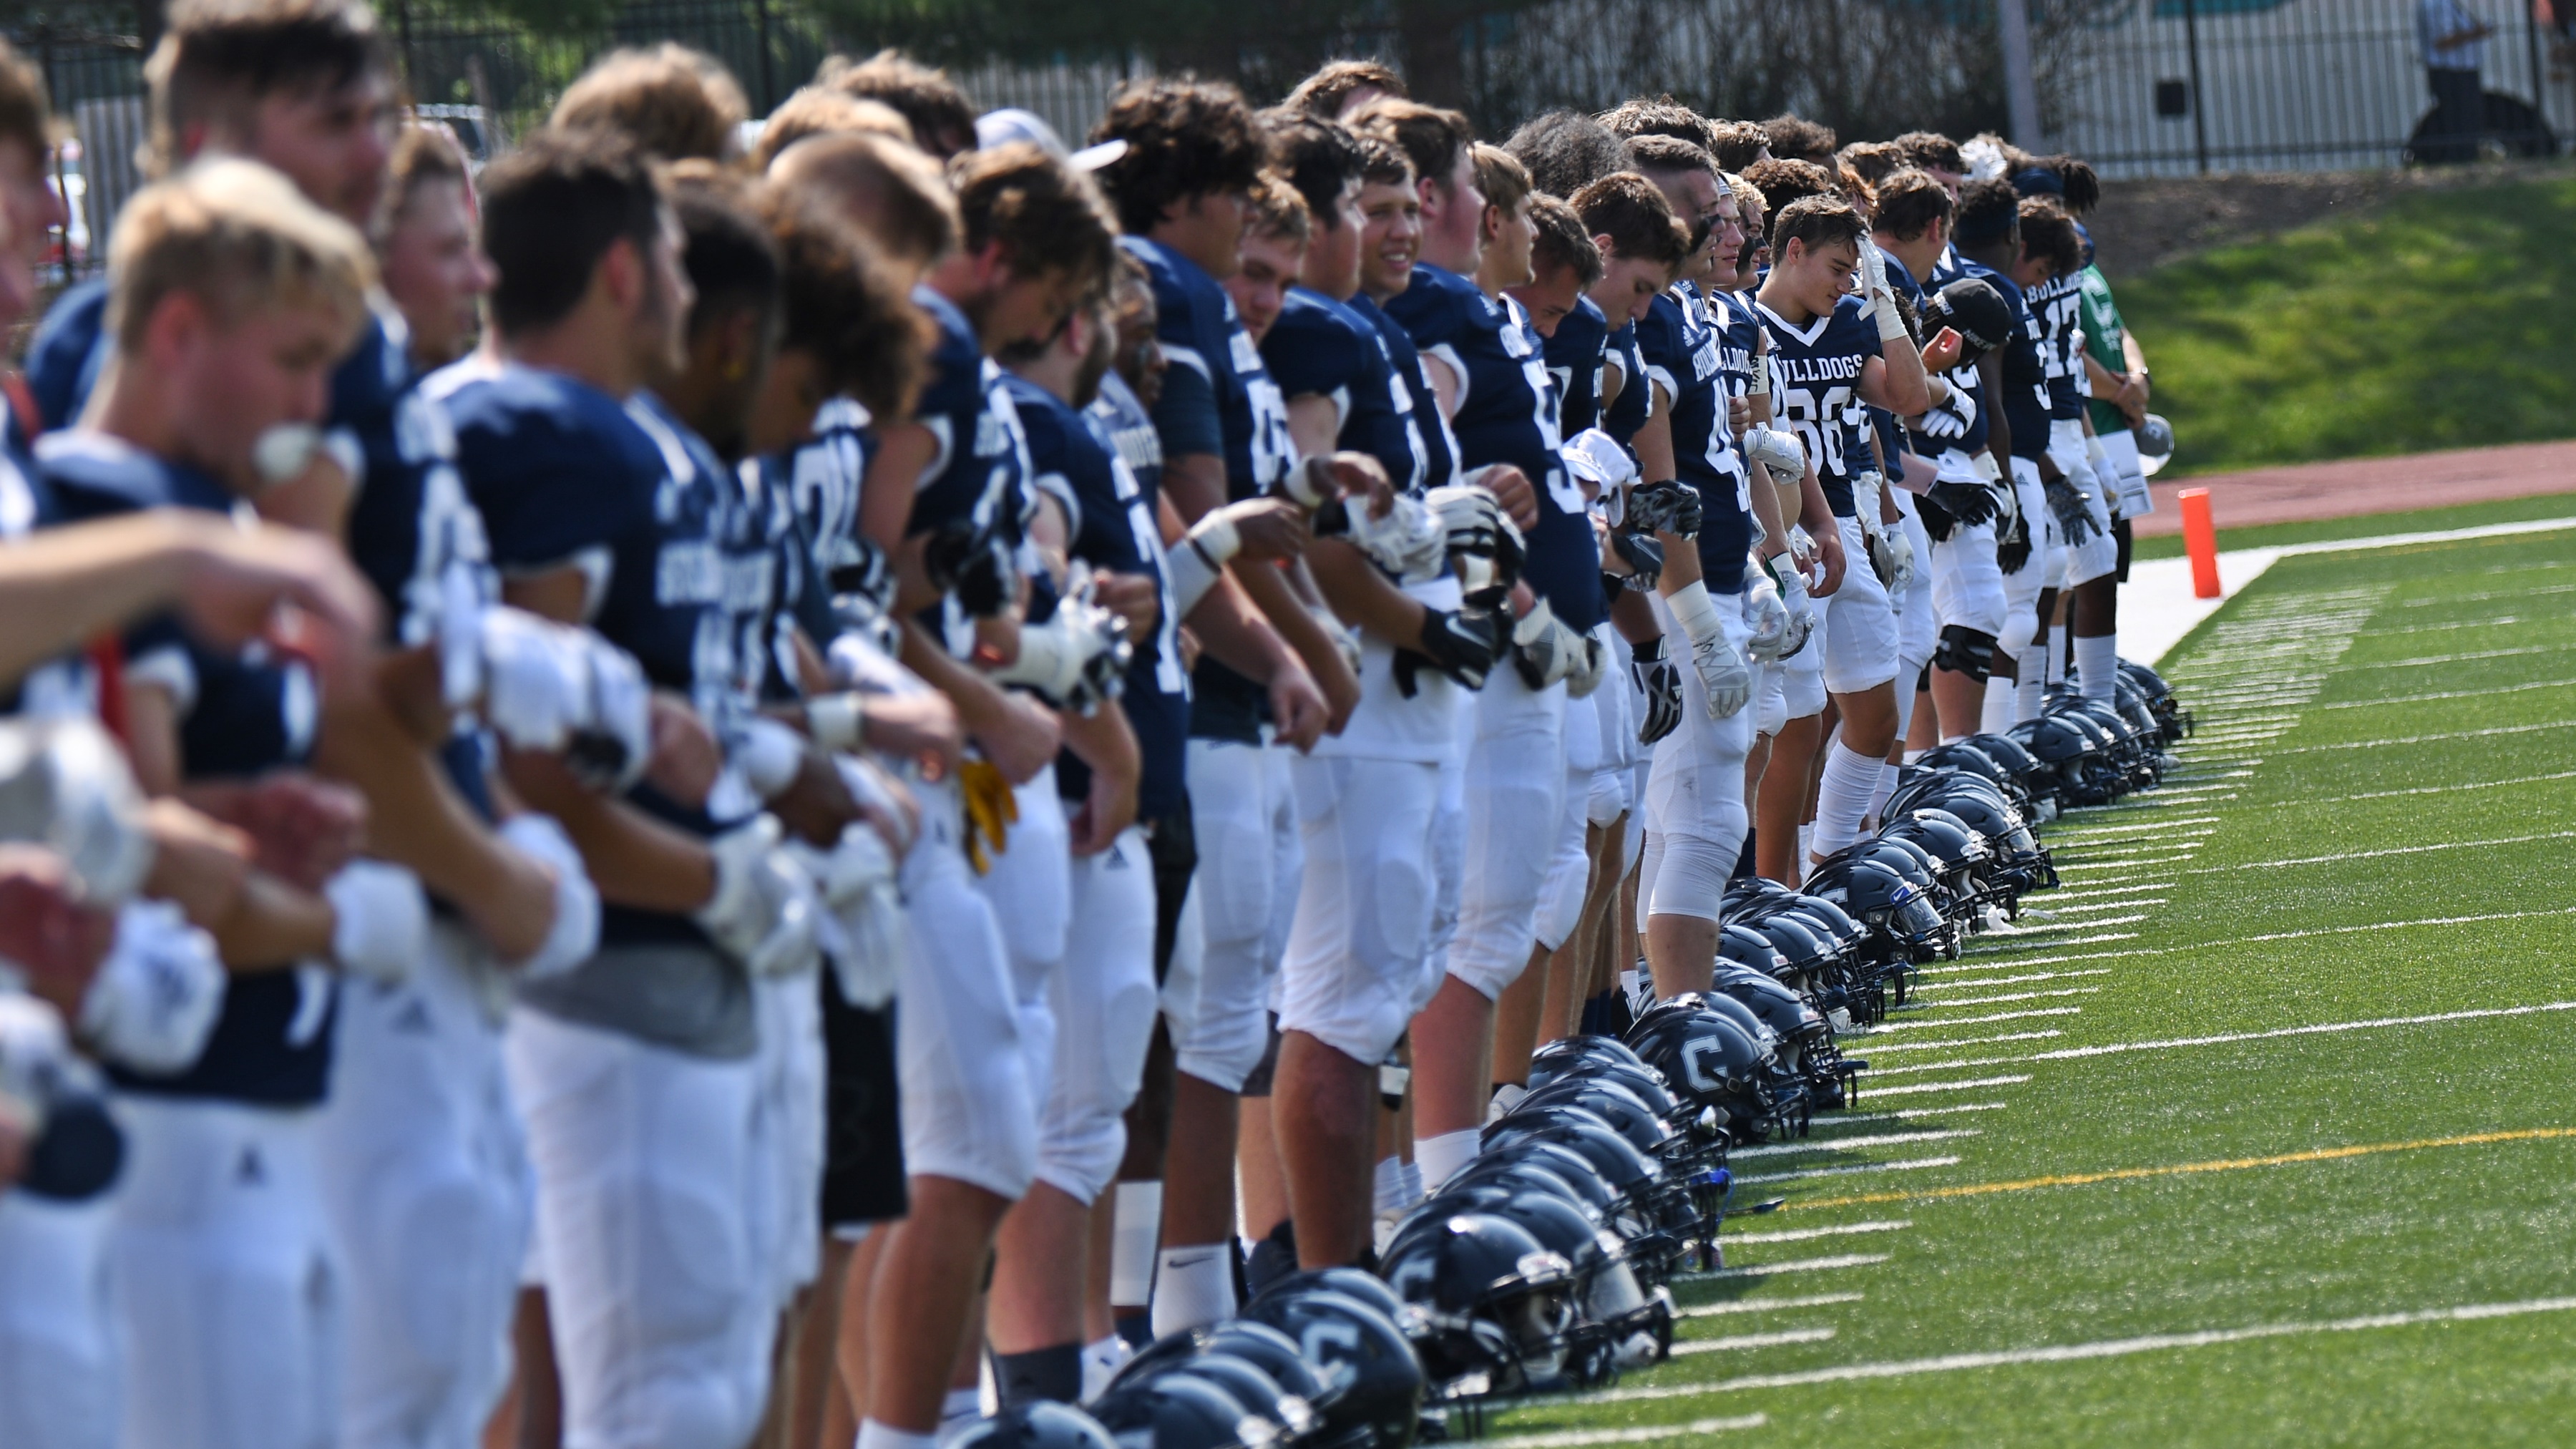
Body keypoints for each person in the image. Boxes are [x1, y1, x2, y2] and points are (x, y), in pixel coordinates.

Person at [2418, 0, 2494, 163]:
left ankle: (2466, 157)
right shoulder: (2437, 4)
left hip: (2460, 70)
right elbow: (2442, 40)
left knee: (2468, 120)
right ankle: (2461, 159)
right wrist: (2475, 33)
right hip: (2452, 72)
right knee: (2459, 122)